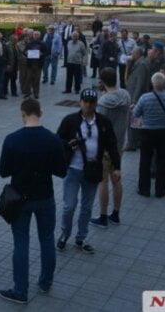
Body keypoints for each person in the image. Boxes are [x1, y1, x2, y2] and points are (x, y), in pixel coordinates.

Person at [0, 99, 66, 304]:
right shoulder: (52, 139)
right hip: (45, 197)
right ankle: (45, 282)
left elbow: (3, 172)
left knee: (21, 242)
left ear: (23, 113)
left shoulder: (12, 139)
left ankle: (20, 290)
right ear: (41, 113)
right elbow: (61, 171)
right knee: (46, 239)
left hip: (20, 199)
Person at [56, 89, 119, 253]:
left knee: (86, 207)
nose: (88, 105)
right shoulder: (70, 120)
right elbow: (57, 139)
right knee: (69, 206)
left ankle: (81, 238)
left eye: (92, 102)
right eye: (85, 101)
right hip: (73, 170)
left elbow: (112, 145)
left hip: (93, 170)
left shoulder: (103, 122)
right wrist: (68, 144)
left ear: (96, 103)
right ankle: (64, 234)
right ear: (80, 102)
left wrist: (116, 167)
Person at [91, 68, 130, 228]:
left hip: (106, 146)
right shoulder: (125, 95)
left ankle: (102, 216)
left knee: (103, 181)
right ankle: (116, 213)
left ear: (103, 81)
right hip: (120, 143)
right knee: (116, 179)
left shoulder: (103, 102)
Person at [133, 72, 165, 197]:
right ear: (164, 84)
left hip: (147, 133)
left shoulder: (145, 98)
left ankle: (144, 189)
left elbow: (136, 113)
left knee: (145, 161)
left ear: (152, 83)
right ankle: (160, 190)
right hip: (164, 133)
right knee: (162, 161)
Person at [125, 47, 149, 151]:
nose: (131, 54)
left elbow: (140, 83)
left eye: (133, 53)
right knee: (136, 122)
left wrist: (134, 100)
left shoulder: (141, 64)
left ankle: (132, 143)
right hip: (135, 96)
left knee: (132, 121)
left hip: (136, 97)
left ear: (138, 54)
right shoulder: (138, 63)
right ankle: (136, 142)